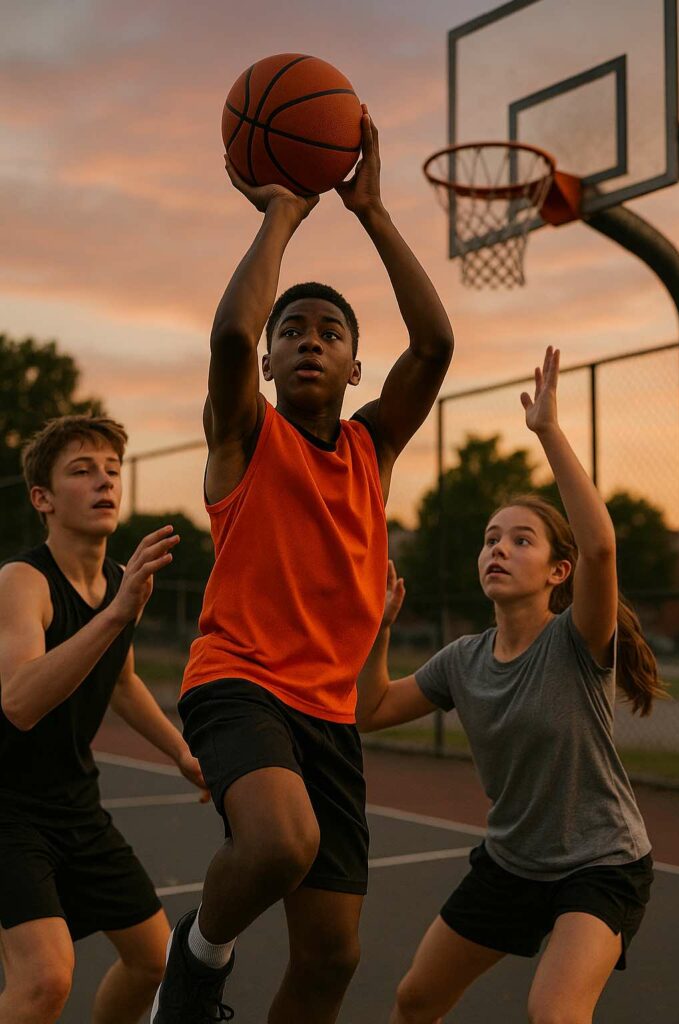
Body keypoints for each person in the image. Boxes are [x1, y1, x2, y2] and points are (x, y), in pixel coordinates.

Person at [150, 106, 454, 1024]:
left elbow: (436, 345)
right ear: (275, 359)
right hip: (237, 682)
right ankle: (195, 966)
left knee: (331, 959)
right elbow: (229, 340)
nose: (309, 338)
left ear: (356, 364)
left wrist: (371, 210)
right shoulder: (245, 437)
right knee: (280, 842)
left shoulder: (372, 448)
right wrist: (279, 214)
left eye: (329, 330)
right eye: (295, 330)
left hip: (327, 715)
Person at [356, 347, 662, 1024]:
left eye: (519, 540)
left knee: (553, 1013)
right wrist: (377, 631)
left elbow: (601, 548)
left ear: (558, 571)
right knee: (413, 1000)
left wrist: (548, 432)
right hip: (511, 864)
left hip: (600, 864)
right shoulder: (461, 660)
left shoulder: (576, 639)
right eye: (490, 538)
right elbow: (369, 710)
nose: (497, 548)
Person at [0, 414, 207, 1024]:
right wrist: (115, 615)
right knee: (43, 980)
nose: (104, 482)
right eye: (82, 471)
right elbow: (18, 700)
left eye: (112, 470)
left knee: (155, 960)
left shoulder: (119, 584)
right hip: (8, 807)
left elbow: (121, 680)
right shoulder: (22, 581)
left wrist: (181, 753)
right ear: (43, 498)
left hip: (75, 806)